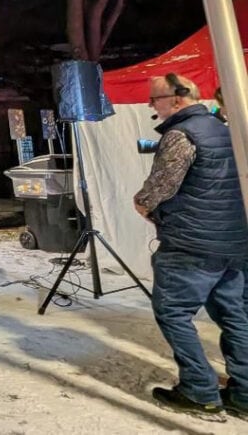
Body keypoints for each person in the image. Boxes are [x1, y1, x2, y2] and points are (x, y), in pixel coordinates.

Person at [133, 73, 248, 416]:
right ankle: (244, 394)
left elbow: (162, 185)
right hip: (234, 245)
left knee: (173, 312)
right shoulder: (225, 128)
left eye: (155, 99)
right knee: (237, 316)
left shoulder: (182, 134)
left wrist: (142, 203)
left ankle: (199, 389)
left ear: (178, 98)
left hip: (190, 246)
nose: (151, 105)